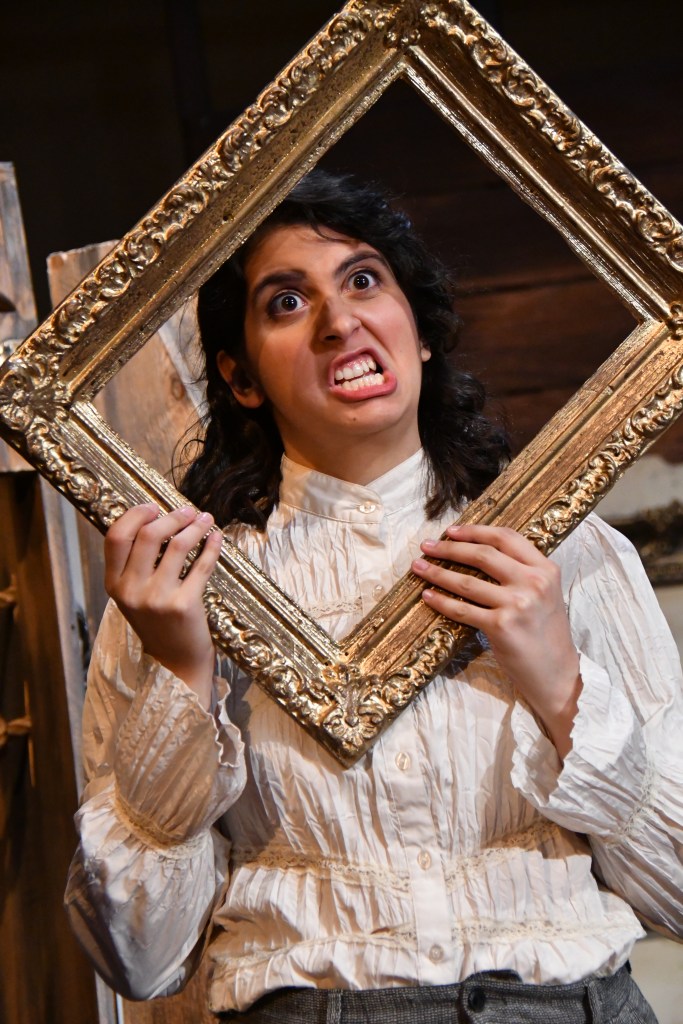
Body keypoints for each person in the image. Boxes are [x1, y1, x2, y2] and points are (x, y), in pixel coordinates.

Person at [65, 171, 682, 1023]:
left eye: (362, 279)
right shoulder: (182, 590)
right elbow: (139, 955)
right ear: (241, 378)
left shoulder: (567, 551)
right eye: (286, 302)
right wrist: (180, 676)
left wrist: (562, 689)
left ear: (417, 331)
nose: (338, 321)